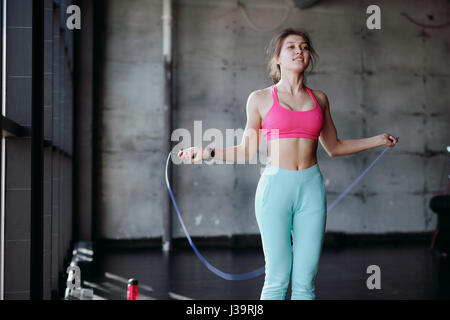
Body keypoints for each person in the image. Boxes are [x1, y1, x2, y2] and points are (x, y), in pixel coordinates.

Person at [177, 28, 399, 300]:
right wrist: (206, 152)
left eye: (304, 47)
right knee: (277, 279)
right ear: (278, 59)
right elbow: (246, 150)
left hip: (311, 188)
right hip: (275, 189)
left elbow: (334, 147)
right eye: (291, 47)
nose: (299, 51)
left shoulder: (319, 99)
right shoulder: (259, 99)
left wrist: (377, 139)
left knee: (306, 281)